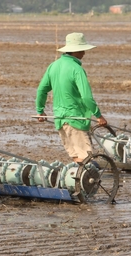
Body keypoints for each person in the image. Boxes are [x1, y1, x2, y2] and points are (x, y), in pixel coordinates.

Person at [35, 32, 108, 164]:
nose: (84, 53)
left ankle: (76, 182)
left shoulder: (53, 66)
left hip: (60, 120)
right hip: (76, 119)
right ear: (75, 51)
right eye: (82, 50)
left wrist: (40, 110)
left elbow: (41, 90)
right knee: (87, 158)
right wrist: (98, 115)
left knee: (76, 157)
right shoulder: (77, 69)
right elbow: (86, 97)